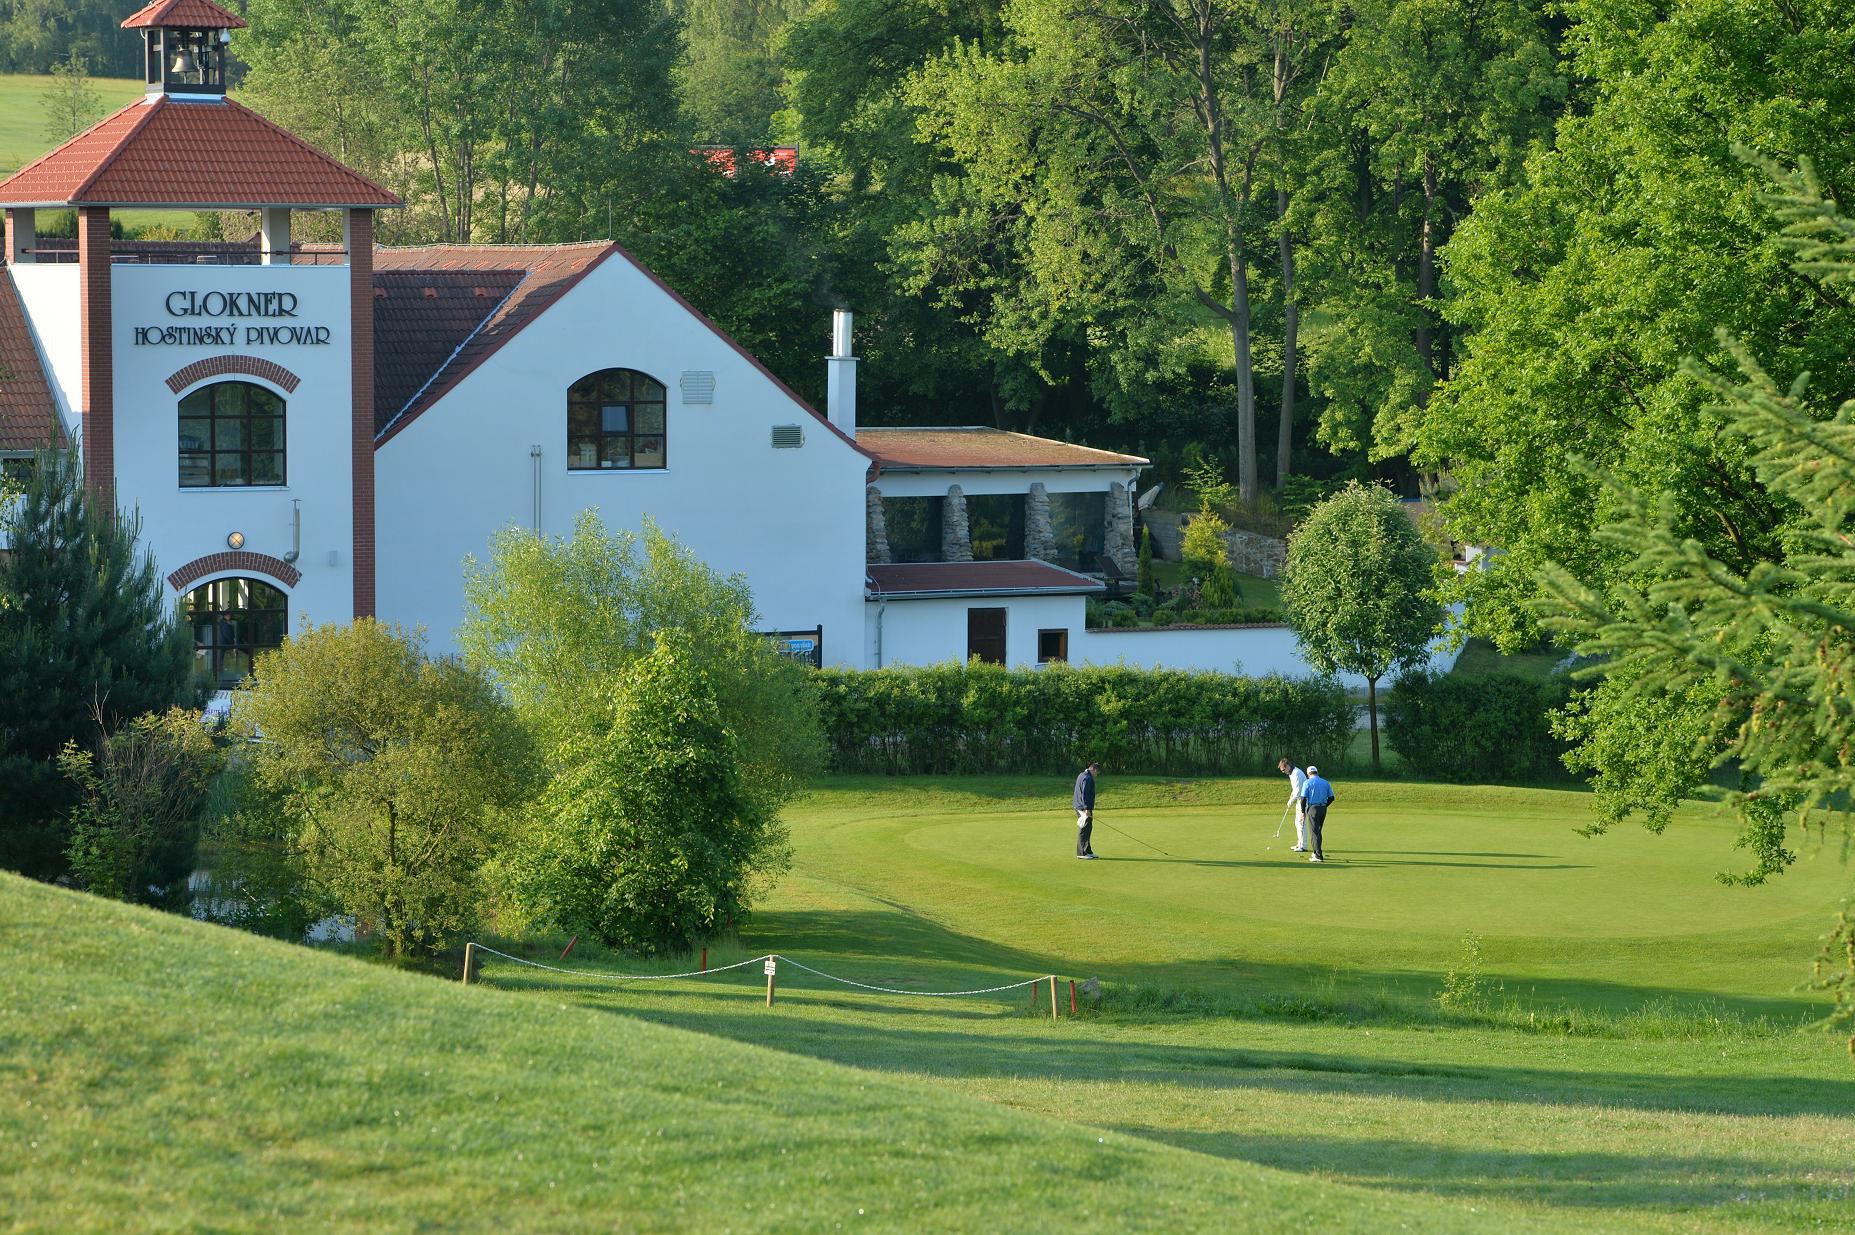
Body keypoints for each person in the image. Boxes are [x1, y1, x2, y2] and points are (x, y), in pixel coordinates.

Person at [1300, 765, 1335, 863]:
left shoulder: (1307, 782)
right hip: (1323, 808)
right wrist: (1324, 806)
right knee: (1317, 831)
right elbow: (1332, 797)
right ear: (1317, 772)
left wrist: (1303, 812)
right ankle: (1316, 852)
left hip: (1313, 808)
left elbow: (1303, 799)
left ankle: (1318, 856)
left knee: (1314, 832)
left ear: (1308, 774)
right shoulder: (1325, 782)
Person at [1277, 757, 1308, 852]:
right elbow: (1295, 789)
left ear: (1287, 766)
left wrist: (1291, 800)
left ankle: (1303, 846)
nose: (1283, 772)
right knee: (1297, 823)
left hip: (1304, 800)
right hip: (1299, 800)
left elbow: (1298, 791)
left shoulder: (1296, 773)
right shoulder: (1291, 773)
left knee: (1301, 823)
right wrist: (1291, 798)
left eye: (1283, 769)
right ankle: (1300, 843)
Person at [1073, 761, 1099, 859]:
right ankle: (1081, 853)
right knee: (1084, 828)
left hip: (1081, 806)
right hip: (1083, 807)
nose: (1097, 774)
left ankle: (1087, 850)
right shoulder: (1088, 778)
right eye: (1097, 772)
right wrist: (1087, 808)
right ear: (1093, 769)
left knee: (1088, 827)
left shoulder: (1082, 775)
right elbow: (1084, 794)